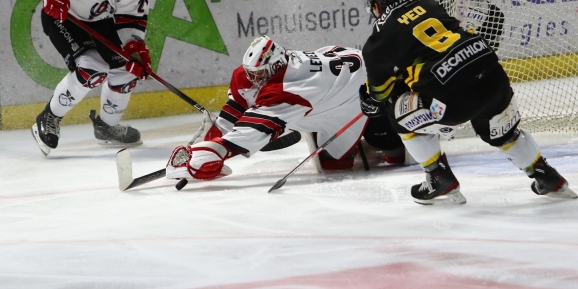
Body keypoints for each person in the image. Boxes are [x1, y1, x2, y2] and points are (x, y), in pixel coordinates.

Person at [358, 0, 577, 205]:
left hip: (454, 100)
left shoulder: (377, 40)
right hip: (493, 77)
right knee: (502, 133)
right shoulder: (430, 4)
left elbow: (379, 94)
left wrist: (376, 98)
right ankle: (546, 176)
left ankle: (438, 176)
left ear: (376, 4)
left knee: (395, 110)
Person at [165, 36, 407, 182]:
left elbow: (251, 133)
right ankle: (306, 125)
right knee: (322, 152)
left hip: (359, 90)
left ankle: (377, 137)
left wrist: (216, 152)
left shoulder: (290, 88)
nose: (252, 79)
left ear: (276, 66)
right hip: (342, 65)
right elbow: (237, 108)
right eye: (251, 72)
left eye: (259, 74)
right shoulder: (272, 67)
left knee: (342, 162)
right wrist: (210, 140)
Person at [17, 0, 151, 156]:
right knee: (92, 69)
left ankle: (107, 128)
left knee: (126, 70)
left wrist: (134, 47)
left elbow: (132, 14)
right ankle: (49, 117)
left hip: (103, 22)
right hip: (65, 18)